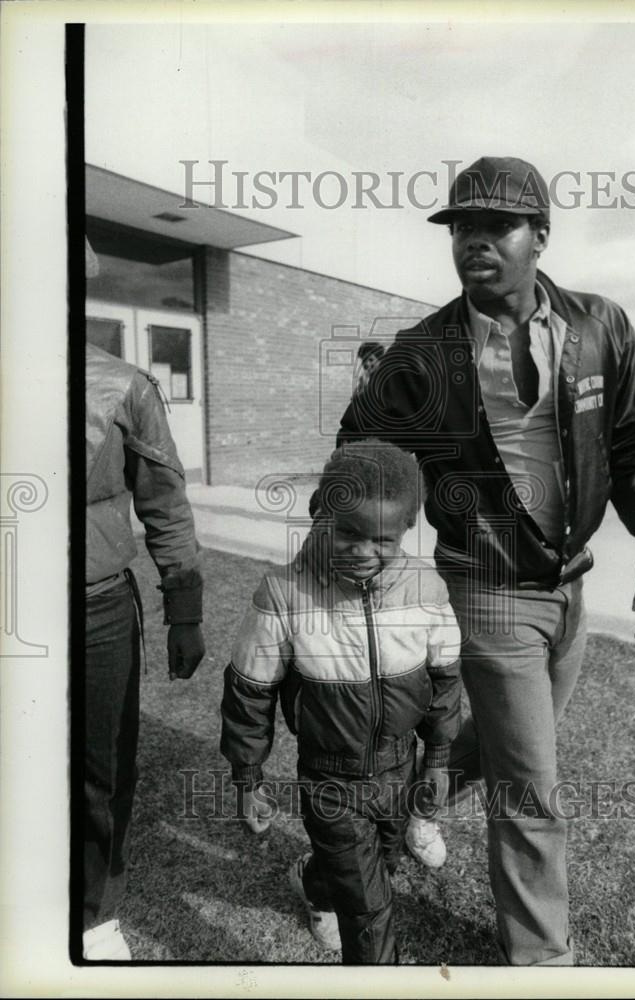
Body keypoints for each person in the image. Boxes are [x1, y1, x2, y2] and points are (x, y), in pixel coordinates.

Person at [336, 156, 635, 965]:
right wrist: (381, 537)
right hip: (487, 587)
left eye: (494, 226)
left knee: (492, 751)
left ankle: (363, 844)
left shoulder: (599, 326)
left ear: (540, 238)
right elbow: (359, 448)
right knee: (531, 786)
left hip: (570, 585)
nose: (472, 242)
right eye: (461, 228)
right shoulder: (422, 353)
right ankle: (539, 959)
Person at [219, 440, 461, 963]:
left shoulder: (427, 588)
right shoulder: (284, 594)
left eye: (383, 540)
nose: (363, 551)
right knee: (369, 912)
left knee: (384, 863)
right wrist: (247, 777)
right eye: (347, 532)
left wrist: (438, 760)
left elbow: (445, 680)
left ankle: (315, 878)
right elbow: (249, 691)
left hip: (401, 768)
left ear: (405, 531)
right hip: (330, 779)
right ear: (319, 514)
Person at [83, 238, 206, 960]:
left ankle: (94, 913)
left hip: (96, 608)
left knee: (100, 769)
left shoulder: (123, 386)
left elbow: (166, 502)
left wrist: (183, 612)